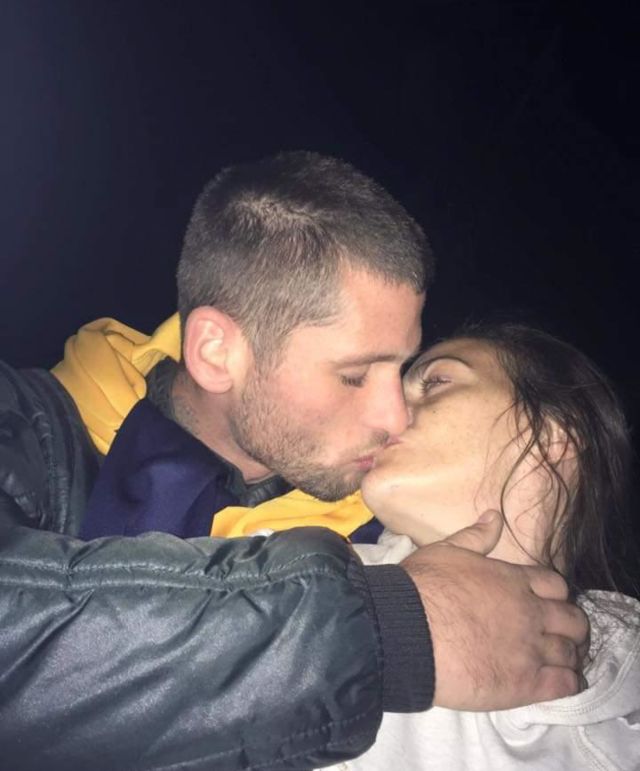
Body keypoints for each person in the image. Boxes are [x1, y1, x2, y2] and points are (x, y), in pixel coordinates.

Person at [0, 153, 587, 770]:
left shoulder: (384, 526)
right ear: (217, 353)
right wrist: (384, 631)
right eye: (355, 375)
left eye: (403, 369)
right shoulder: (24, 430)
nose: (396, 417)